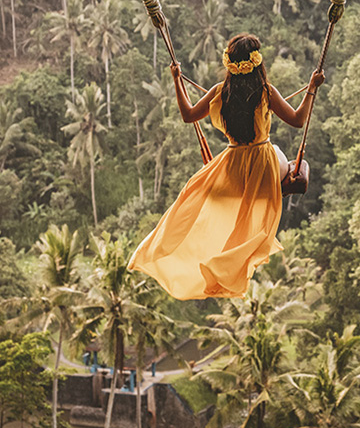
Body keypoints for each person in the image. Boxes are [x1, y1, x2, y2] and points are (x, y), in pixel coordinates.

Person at [127, 33, 325, 300]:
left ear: (230, 63)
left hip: (231, 169)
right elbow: (299, 120)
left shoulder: (219, 93)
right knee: (287, 162)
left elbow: (187, 115)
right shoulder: (266, 91)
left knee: (192, 194)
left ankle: (163, 251)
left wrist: (177, 80)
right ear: (258, 62)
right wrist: (311, 87)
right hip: (264, 165)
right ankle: (274, 191)